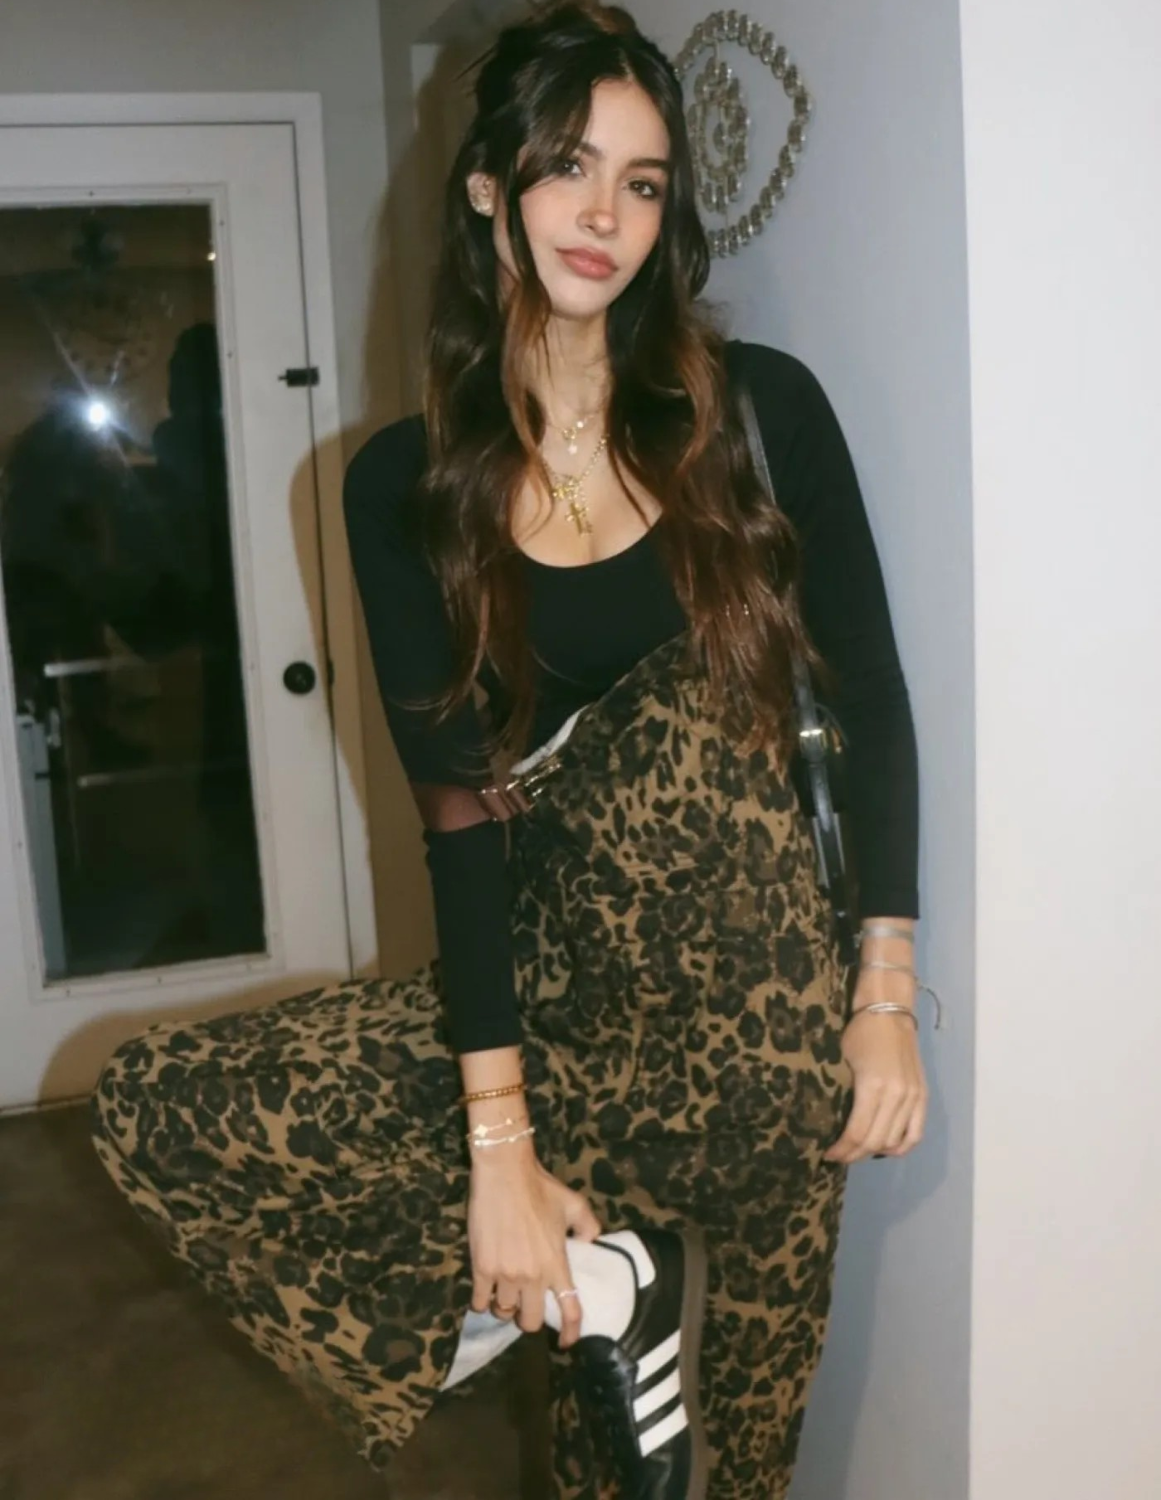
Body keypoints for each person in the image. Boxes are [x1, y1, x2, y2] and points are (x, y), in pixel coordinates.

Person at [90, 4, 930, 1497]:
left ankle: (601, 1291)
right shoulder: (401, 487)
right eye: (567, 166)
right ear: (489, 186)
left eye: (643, 182)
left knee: (744, 1462)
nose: (605, 214)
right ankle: (588, 1286)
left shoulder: (759, 413)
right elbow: (464, 818)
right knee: (159, 1103)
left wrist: (885, 994)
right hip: (558, 1000)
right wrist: (500, 1142)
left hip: (764, 1026)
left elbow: (871, 699)